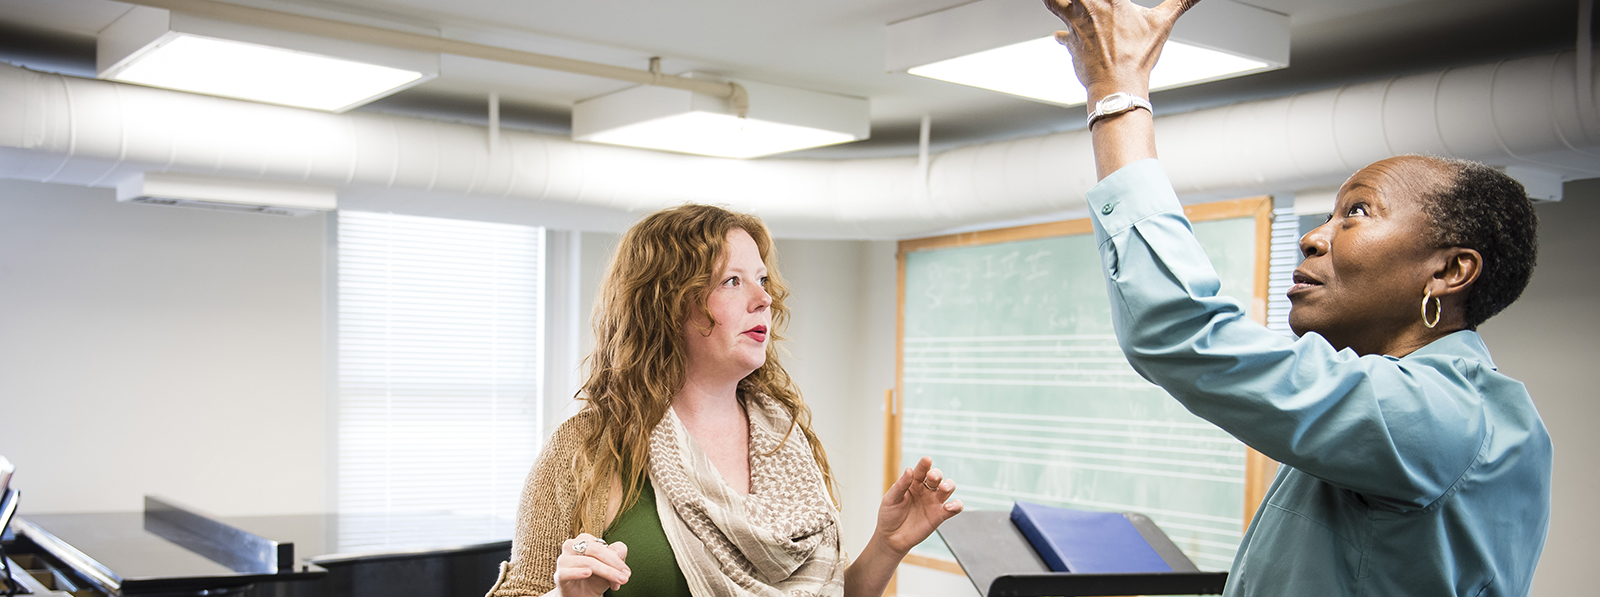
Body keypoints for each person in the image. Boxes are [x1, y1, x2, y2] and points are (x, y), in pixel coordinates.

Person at [1041, 0, 1553, 595]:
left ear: (1449, 271)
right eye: (1328, 215)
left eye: (1357, 212)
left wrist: (1116, 91)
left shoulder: (1442, 415)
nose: (1313, 237)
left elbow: (1180, 330)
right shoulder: (1403, 412)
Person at [484, 204, 964, 597]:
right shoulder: (588, 448)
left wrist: (887, 544)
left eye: (762, 280)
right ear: (667, 302)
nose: (763, 299)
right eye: (732, 281)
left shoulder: (784, 441)